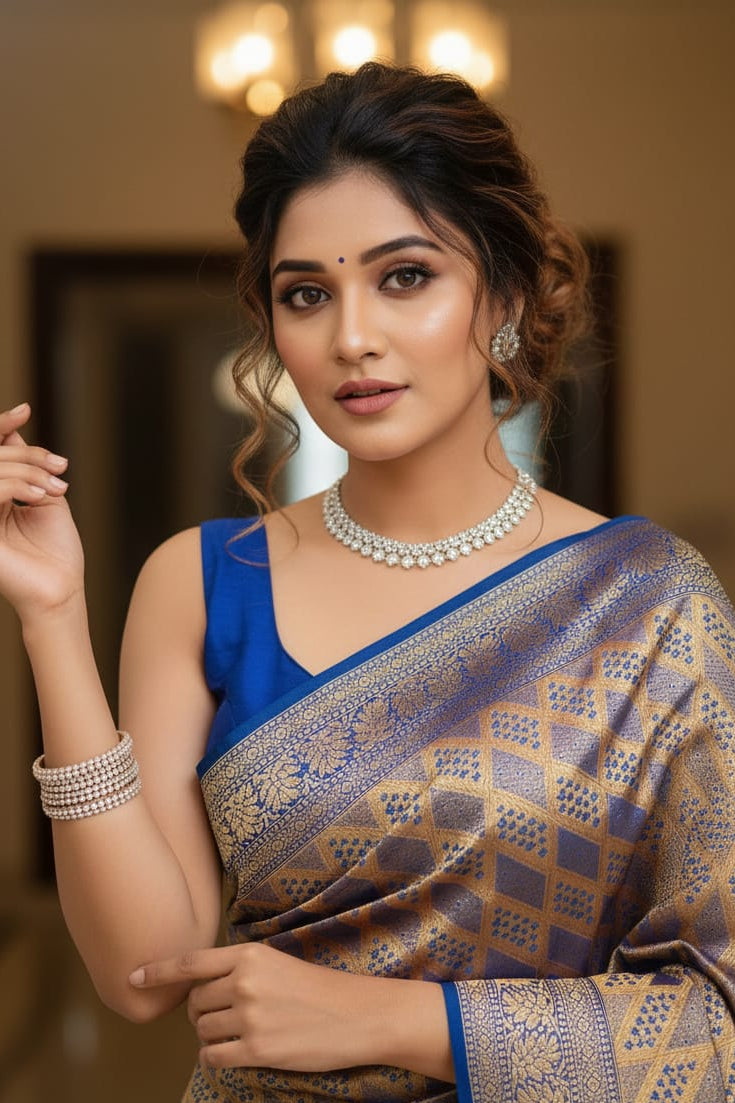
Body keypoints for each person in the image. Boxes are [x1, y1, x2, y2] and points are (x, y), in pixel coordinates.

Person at [1, 61, 733, 1103]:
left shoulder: (653, 603)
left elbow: (721, 1024)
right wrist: (51, 615)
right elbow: (140, 975)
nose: (352, 336)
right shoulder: (206, 582)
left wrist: (403, 1021)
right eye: (308, 292)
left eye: (405, 276)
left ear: (508, 295)